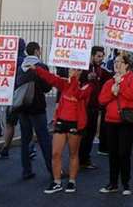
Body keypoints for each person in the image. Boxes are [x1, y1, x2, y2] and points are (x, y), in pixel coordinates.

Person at [33, 65, 95, 194]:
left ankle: (72, 181)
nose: (74, 71)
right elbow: (51, 78)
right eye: (72, 69)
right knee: (56, 153)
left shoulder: (87, 86)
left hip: (75, 123)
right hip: (61, 121)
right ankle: (57, 182)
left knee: (73, 154)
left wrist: (72, 80)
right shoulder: (64, 83)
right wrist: (36, 69)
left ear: (81, 71)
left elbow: (79, 94)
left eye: (77, 69)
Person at [98, 54, 133, 195]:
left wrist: (120, 84)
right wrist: (112, 92)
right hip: (111, 121)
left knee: (124, 152)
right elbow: (101, 100)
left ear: (127, 64)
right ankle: (113, 183)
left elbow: (131, 94)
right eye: (115, 62)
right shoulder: (109, 81)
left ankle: (126, 183)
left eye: (120, 62)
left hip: (126, 121)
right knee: (113, 154)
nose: (116, 64)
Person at [15, 42, 53, 181]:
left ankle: (26, 170)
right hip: (37, 107)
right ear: (37, 51)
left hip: (22, 107)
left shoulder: (20, 67)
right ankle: (53, 170)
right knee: (44, 138)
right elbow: (47, 88)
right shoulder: (41, 67)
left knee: (25, 139)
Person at [79, 46, 112, 170]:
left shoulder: (100, 70)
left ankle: (85, 159)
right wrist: (86, 78)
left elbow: (110, 77)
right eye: (98, 56)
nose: (101, 58)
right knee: (83, 134)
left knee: (91, 134)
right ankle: (80, 159)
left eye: (102, 56)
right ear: (92, 55)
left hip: (95, 106)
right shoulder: (84, 68)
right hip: (84, 106)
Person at [0, 38, 26, 160]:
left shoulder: (10, 60)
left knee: (10, 123)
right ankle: (30, 148)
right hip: (25, 96)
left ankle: (5, 148)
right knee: (26, 124)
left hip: (12, 96)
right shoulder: (26, 60)